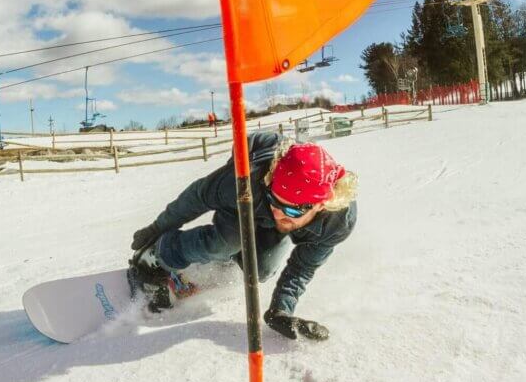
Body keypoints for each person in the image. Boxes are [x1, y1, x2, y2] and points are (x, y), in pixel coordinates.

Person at [129, 131, 357, 341]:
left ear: (321, 205)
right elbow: (198, 197)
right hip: (249, 197)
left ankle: (223, 261)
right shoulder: (247, 181)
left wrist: (281, 310)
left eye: (292, 210)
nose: (279, 213)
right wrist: (155, 230)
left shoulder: (337, 222)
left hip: (265, 208)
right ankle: (158, 255)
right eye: (275, 200)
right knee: (225, 243)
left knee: (262, 269)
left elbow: (302, 268)